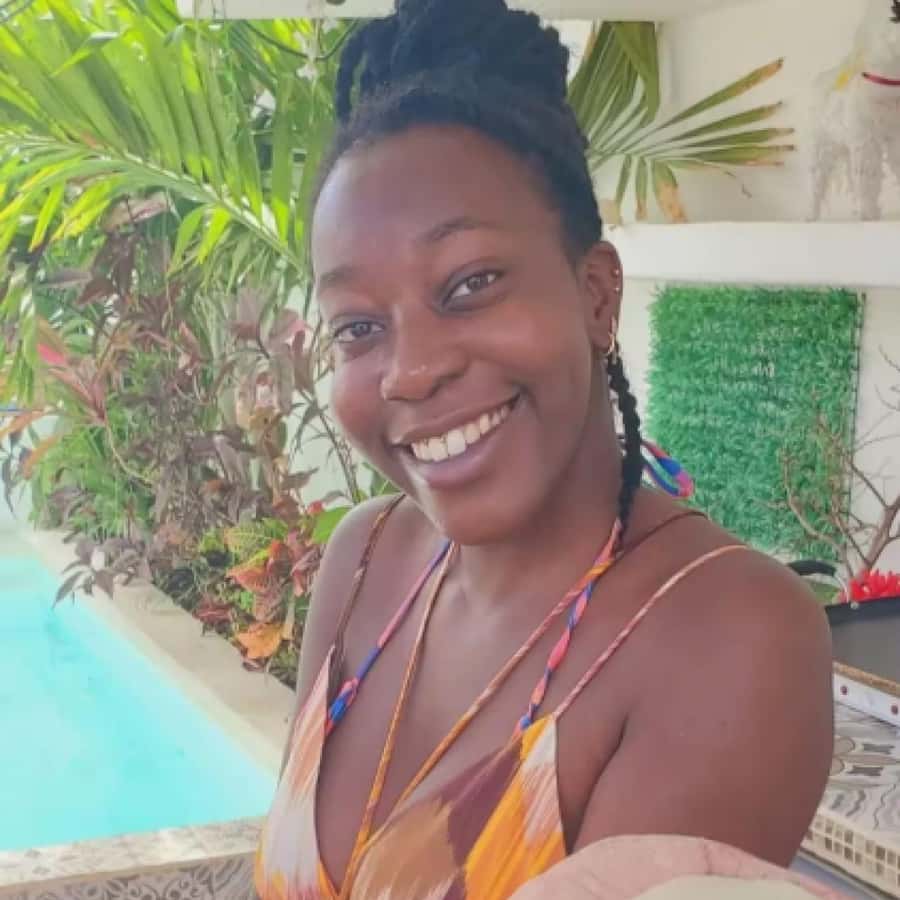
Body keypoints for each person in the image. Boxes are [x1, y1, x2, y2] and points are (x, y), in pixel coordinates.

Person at [254, 1, 835, 897]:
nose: (410, 372)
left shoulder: (728, 633)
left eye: (470, 284)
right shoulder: (365, 557)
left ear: (596, 295)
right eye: (358, 326)